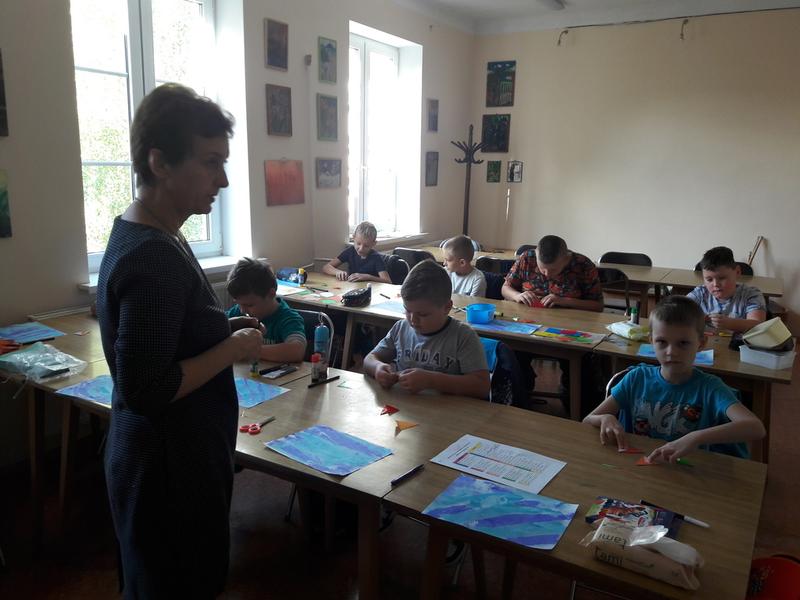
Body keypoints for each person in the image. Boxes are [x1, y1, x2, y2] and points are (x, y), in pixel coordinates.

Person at [96, 84, 263, 598]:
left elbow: (168, 337)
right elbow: (147, 388)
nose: (224, 180)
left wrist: (221, 329)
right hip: (169, 473)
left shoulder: (150, 230)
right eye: (211, 162)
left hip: (163, 461)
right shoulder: (154, 254)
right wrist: (232, 348)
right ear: (160, 163)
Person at [583, 296, 765, 461]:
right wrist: (605, 418)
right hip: (639, 468)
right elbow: (588, 419)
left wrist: (696, 437)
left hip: (687, 473)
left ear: (701, 343)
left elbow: (755, 427)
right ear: (651, 341)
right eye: (662, 342)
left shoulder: (710, 388)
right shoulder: (636, 379)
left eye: (683, 343)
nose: (671, 352)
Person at [364, 261, 490, 400]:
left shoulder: (463, 336)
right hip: (405, 406)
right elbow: (370, 359)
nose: (413, 320)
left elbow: (482, 386)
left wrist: (432, 381)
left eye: (423, 314)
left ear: (447, 308)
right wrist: (377, 368)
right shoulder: (401, 328)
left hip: (448, 410)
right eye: (407, 310)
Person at [225, 258, 307, 363]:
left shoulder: (288, 318)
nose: (242, 310)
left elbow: (296, 351)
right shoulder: (237, 313)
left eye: (249, 305)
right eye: (238, 304)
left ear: (271, 294)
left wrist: (246, 351)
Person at [501, 234, 603, 311]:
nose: (547, 274)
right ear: (536, 255)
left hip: (567, 319)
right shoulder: (527, 258)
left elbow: (598, 306)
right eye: (542, 269)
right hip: (526, 314)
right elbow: (505, 288)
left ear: (566, 259)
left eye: (553, 269)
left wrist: (564, 301)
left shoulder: (584, 265)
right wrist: (517, 296)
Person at [687, 246, 766, 333]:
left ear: (737, 272)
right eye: (709, 280)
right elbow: (679, 310)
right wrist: (697, 318)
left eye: (722, 278)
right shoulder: (700, 293)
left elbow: (758, 325)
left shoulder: (751, 294)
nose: (716, 284)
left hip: (738, 341)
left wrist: (730, 323)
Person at [323, 221, 391, 283]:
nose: (361, 249)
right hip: (353, 288)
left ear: (374, 244)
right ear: (353, 238)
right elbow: (326, 267)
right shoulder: (350, 251)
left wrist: (368, 277)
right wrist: (338, 272)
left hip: (371, 289)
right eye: (358, 244)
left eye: (366, 246)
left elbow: (388, 281)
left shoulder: (376, 257)